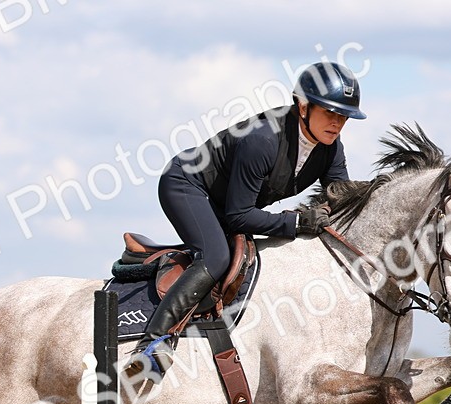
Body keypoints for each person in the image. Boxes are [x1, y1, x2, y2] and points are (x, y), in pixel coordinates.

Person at [128, 61, 367, 382]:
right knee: (217, 257)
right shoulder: (262, 141)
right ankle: (153, 343)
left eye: (344, 117)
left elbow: (344, 198)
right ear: (303, 105)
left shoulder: (330, 148)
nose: (337, 123)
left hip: (225, 200)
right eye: (330, 113)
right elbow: (238, 216)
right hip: (187, 186)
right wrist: (295, 223)